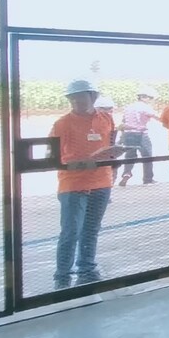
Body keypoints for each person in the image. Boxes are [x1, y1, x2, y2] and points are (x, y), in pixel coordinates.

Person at [49, 79, 123, 289]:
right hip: (73, 185)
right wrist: (85, 160)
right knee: (70, 232)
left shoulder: (106, 119)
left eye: (79, 97)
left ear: (93, 97)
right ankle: (62, 277)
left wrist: (113, 155)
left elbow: (109, 145)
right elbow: (53, 157)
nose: (75, 102)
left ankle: (87, 270)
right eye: (72, 98)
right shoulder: (62, 124)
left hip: (102, 182)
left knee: (91, 229)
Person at [117, 87, 159, 186]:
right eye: (150, 98)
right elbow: (158, 117)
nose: (151, 100)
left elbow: (124, 121)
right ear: (144, 97)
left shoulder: (129, 107)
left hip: (128, 134)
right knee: (147, 156)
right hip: (141, 134)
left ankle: (126, 173)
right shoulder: (145, 107)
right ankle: (148, 179)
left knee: (130, 156)